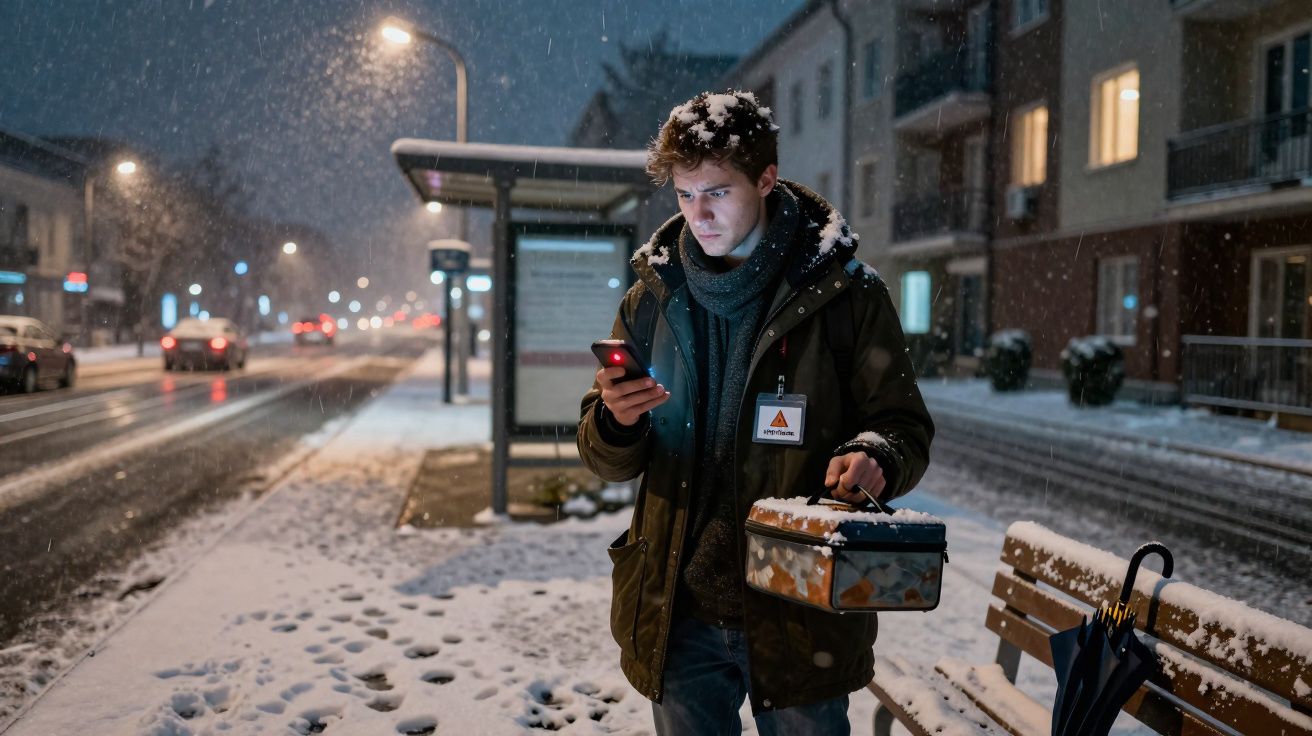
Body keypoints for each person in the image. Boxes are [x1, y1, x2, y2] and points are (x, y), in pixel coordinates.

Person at [576, 90, 934, 736]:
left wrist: (877, 457)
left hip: (800, 612)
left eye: (716, 193)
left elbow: (904, 427)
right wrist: (614, 421)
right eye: (684, 196)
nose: (698, 214)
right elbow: (603, 455)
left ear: (766, 180)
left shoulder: (846, 295)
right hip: (677, 611)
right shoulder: (653, 297)